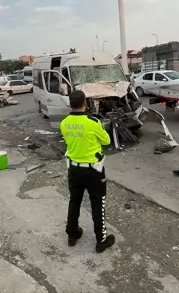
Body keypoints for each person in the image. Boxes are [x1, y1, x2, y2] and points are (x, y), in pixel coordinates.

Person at [60, 90, 115, 253]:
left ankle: (72, 234)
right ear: (86, 103)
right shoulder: (93, 122)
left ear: (70, 103)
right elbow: (107, 140)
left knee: (74, 200)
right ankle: (101, 240)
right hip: (93, 171)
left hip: (74, 169)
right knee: (98, 203)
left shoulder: (64, 122)